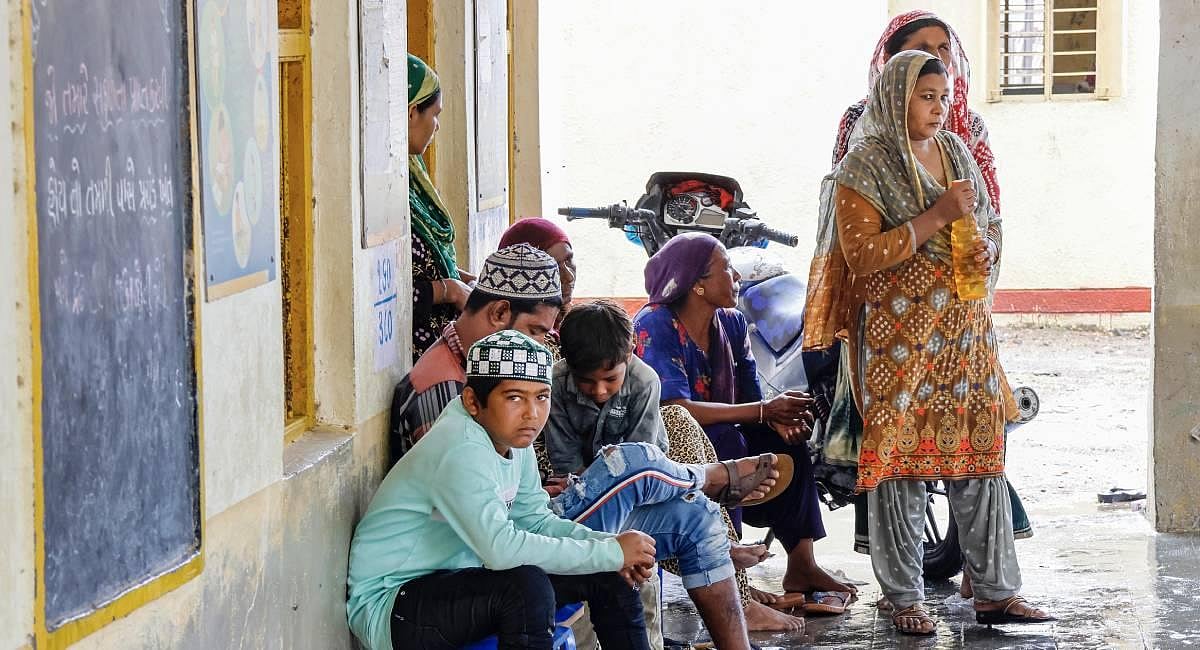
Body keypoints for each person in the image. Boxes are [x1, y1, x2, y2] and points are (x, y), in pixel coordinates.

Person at [802, 50, 1051, 636]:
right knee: (900, 465)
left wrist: (984, 244)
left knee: (980, 455)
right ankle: (903, 595)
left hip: (964, 331)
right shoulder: (863, 167)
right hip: (897, 340)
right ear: (895, 97)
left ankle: (995, 592)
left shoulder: (956, 151)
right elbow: (860, 256)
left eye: (944, 97)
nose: (938, 109)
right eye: (925, 96)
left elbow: (984, 218)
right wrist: (938, 217)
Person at [550, 300, 809, 632]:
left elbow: (641, 458)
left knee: (665, 460)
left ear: (630, 353)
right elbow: (565, 459)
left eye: (609, 380)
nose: (599, 391)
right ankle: (709, 488)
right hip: (585, 486)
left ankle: (709, 504)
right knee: (672, 498)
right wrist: (592, 480)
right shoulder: (555, 382)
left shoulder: (644, 380)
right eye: (587, 382)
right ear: (568, 362)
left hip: (647, 478)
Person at [633, 233, 856, 603]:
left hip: (720, 435)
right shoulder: (654, 325)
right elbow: (674, 409)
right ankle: (730, 577)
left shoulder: (733, 323)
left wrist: (777, 421)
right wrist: (764, 411)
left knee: (787, 444)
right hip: (670, 450)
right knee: (727, 443)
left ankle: (802, 565)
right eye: (726, 269)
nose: (736, 277)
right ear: (698, 285)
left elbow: (751, 399)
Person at [390, 244, 563, 459]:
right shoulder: (444, 390)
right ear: (499, 312)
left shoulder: (479, 367)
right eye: (535, 331)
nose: (539, 345)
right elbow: (461, 485)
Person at [408, 53, 475, 362]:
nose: (437, 126)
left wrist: (464, 280)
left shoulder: (412, 180)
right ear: (411, 113)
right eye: (435, 114)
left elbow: (428, 258)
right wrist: (448, 289)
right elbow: (388, 293)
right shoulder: (384, 190)